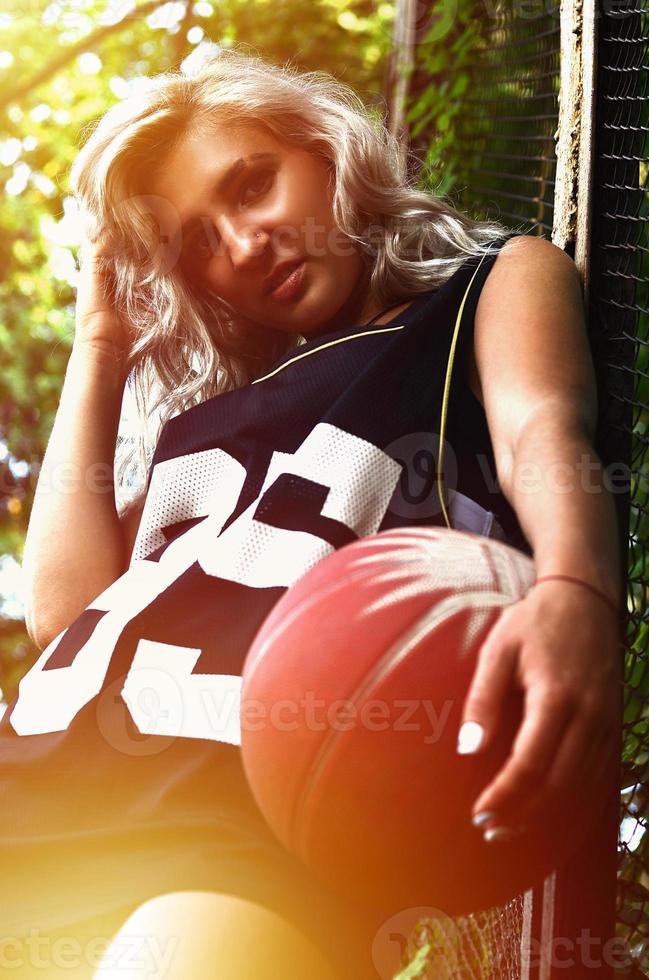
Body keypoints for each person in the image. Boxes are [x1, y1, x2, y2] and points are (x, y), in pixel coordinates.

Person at [2, 41, 623, 980]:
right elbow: (66, 615)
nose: (243, 244)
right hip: (34, 790)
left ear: (327, 149)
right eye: (197, 243)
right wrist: (100, 341)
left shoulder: (480, 289)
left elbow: (544, 434)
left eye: (252, 185)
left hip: (246, 829)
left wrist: (575, 591)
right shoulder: (204, 419)